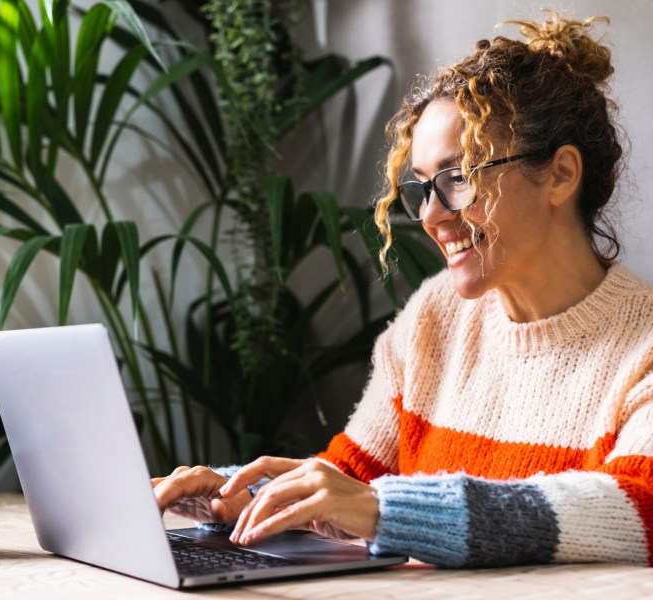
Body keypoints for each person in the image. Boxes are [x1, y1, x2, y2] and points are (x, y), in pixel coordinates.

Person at [153, 11, 653, 567]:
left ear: (561, 174)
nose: (433, 215)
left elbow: (637, 509)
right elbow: (354, 479)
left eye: (460, 177)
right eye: (422, 187)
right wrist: (234, 493)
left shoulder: (643, 347)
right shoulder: (434, 317)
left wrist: (383, 511)